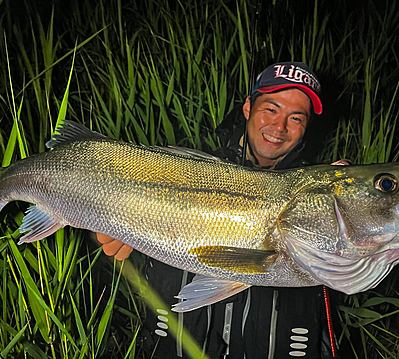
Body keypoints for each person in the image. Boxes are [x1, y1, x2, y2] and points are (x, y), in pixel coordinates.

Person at [97, 61, 341, 358]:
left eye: (296, 118)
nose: (279, 127)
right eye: (271, 109)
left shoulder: (320, 190)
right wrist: (117, 226)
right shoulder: (190, 169)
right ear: (248, 107)